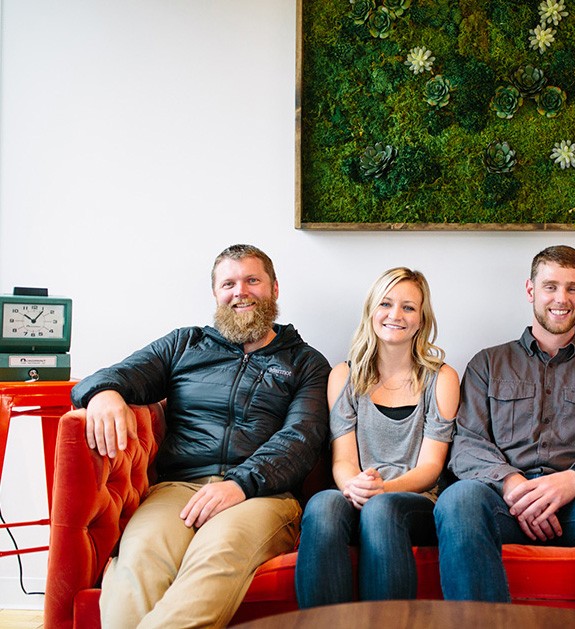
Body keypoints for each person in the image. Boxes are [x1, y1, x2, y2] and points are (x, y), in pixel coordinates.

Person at [70, 244, 331, 628]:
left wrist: (238, 485)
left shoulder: (306, 362)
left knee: (215, 560)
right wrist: (104, 393)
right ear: (216, 294)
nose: (240, 291)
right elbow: (113, 375)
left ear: (274, 289)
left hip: (260, 495)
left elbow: (301, 439)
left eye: (252, 280)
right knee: (139, 560)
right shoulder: (184, 344)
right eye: (228, 283)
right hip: (178, 488)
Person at [434, 245, 575, 615]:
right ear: (530, 290)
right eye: (550, 286)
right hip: (504, 503)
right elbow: (467, 444)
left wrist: (574, 479)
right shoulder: (487, 364)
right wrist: (514, 486)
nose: (562, 298)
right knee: (458, 500)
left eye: (573, 288)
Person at [295, 267, 459, 606]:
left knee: (382, 509)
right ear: (371, 311)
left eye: (408, 307)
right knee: (322, 504)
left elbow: (431, 466)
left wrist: (383, 489)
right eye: (385, 303)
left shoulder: (441, 378)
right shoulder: (344, 375)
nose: (395, 315)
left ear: (421, 319)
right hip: (357, 493)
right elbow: (342, 459)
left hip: (415, 502)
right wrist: (352, 486)